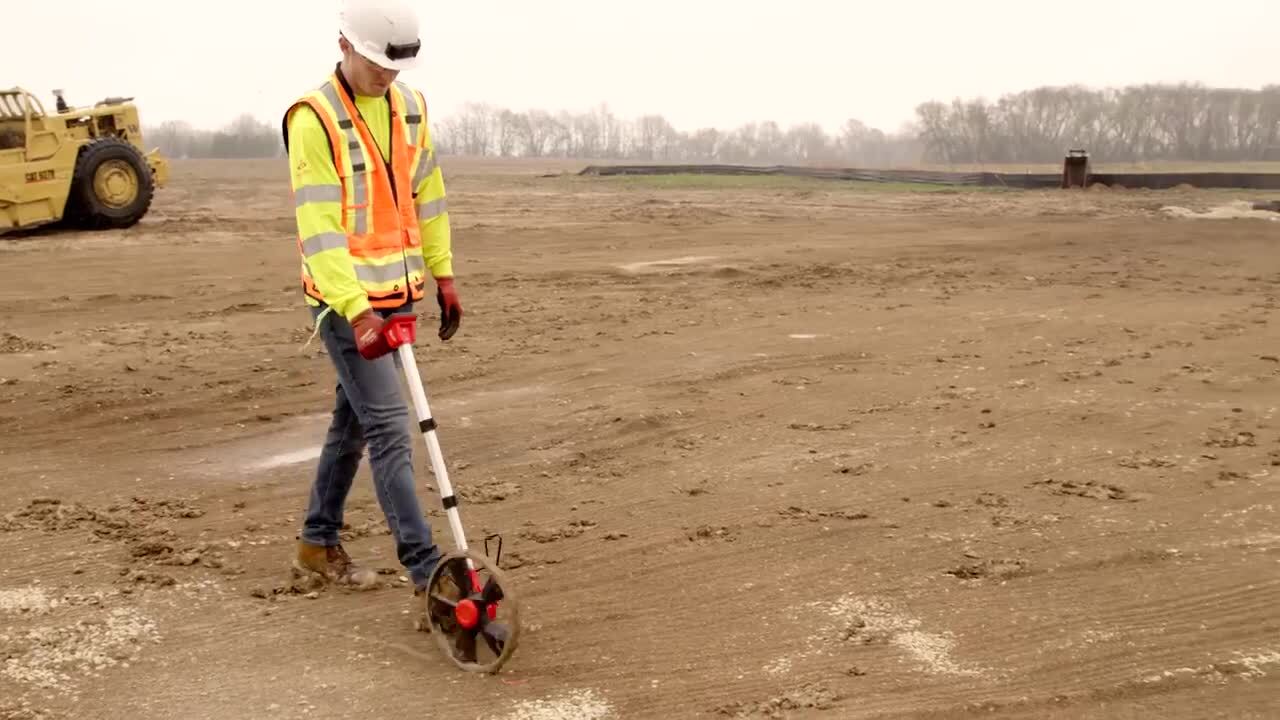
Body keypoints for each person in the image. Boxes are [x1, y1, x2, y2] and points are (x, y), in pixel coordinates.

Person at [280, 0, 461, 614]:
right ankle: (426, 570)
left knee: (354, 422)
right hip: (344, 302)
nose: (388, 78)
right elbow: (320, 229)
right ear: (344, 45)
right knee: (388, 426)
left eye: (396, 67)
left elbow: (427, 192)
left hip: (401, 291)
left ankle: (316, 541)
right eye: (378, 65)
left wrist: (444, 274)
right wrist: (357, 313)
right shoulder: (315, 119)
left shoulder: (409, 107)